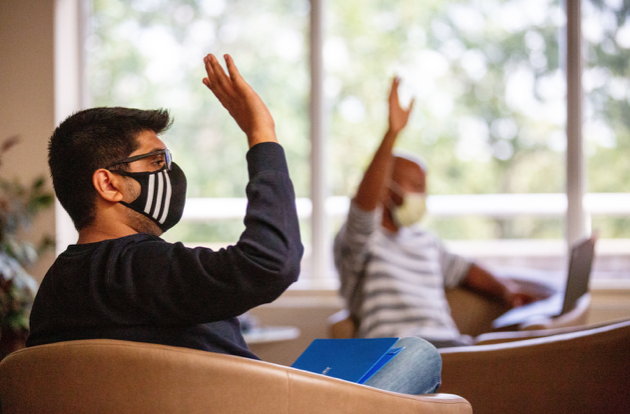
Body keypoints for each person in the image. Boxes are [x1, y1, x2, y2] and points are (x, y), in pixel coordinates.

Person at [27, 55, 441, 395]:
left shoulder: (56, 289)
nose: (171, 173)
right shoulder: (139, 267)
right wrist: (262, 135)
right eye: (157, 162)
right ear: (108, 184)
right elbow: (271, 262)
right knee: (417, 353)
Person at [334, 77, 543, 348]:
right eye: (417, 186)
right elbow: (362, 208)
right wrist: (392, 133)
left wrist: (508, 291)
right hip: (393, 349)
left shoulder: (426, 242)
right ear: (386, 188)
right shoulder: (359, 243)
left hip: (448, 346)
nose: (422, 196)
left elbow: (466, 270)